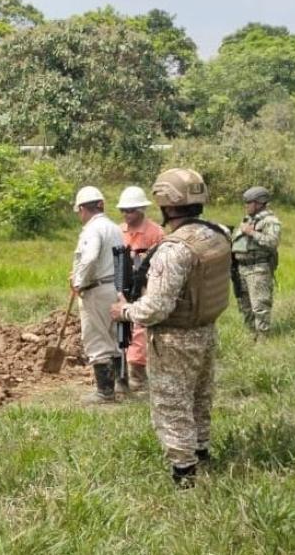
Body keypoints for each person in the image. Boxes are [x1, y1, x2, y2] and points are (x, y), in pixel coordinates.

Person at [110, 168, 232, 489]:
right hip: (206, 329)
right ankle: (203, 456)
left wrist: (123, 310)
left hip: (174, 338)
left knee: (172, 406)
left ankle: (185, 477)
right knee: (199, 398)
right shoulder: (218, 233)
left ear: (166, 204)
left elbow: (155, 309)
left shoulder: (173, 249)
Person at [70, 186, 125, 405]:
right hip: (114, 287)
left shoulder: (92, 230)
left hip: (96, 289)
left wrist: (78, 281)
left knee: (96, 339)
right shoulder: (114, 228)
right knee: (114, 338)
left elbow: (90, 258)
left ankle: (104, 392)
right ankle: (120, 385)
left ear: (83, 208)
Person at [116, 185, 165, 392]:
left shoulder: (155, 233)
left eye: (131, 210)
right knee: (120, 329)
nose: (127, 215)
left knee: (139, 329)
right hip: (122, 285)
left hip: (145, 285)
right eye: (124, 211)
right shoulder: (118, 232)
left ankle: (137, 374)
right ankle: (121, 375)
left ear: (142, 210)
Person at [233, 186, 282, 339]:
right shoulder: (248, 219)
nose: (246, 205)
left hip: (258, 268)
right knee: (245, 305)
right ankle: (250, 334)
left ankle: (263, 337)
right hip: (241, 268)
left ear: (260, 203)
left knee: (259, 305)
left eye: (249, 202)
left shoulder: (270, 221)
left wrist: (252, 233)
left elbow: (273, 242)